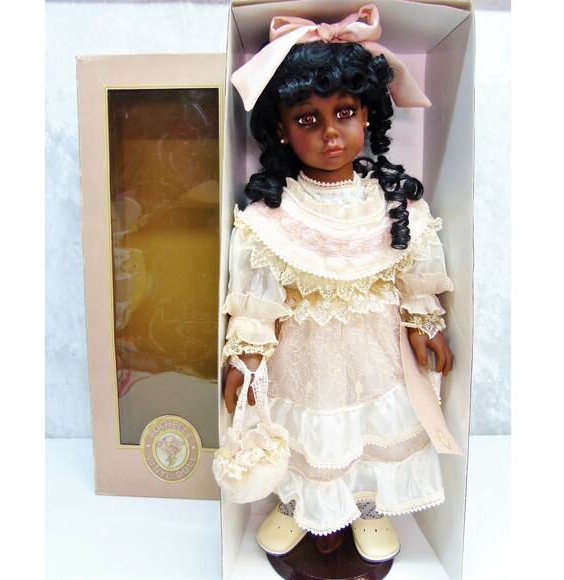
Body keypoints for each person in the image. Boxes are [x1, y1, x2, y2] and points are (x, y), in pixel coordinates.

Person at [220, 3, 460, 564]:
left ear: (368, 115)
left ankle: (369, 503)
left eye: (345, 112)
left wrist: (424, 322)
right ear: (280, 129)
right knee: (306, 427)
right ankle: (298, 500)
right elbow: (257, 296)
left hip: (377, 352)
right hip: (304, 355)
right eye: (307, 119)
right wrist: (246, 359)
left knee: (375, 424)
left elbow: (414, 270)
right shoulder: (272, 215)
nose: (330, 133)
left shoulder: (392, 202)